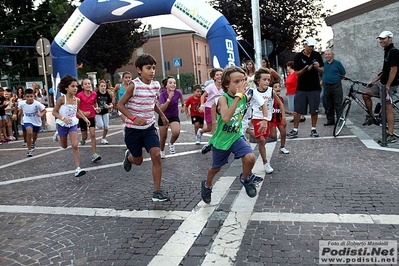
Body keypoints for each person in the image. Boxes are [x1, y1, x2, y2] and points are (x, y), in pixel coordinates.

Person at [201, 66, 268, 204]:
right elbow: (225, 118)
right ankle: (207, 185)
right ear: (227, 84)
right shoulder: (223, 99)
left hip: (236, 136)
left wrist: (265, 119)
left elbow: (262, 103)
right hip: (222, 140)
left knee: (250, 158)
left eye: (243, 81)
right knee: (216, 168)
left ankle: (245, 178)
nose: (241, 84)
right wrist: (214, 123)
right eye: (236, 82)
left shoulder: (246, 95)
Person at [117, 53, 170, 202]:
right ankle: (129, 157)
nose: (152, 71)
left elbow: (152, 103)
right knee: (138, 160)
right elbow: (120, 105)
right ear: (139, 70)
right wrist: (133, 118)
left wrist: (162, 115)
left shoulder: (156, 85)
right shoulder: (134, 85)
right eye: (148, 68)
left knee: (156, 155)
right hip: (133, 130)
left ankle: (157, 191)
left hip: (148, 128)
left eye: (153, 68)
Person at [362, 31, 399, 143]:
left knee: (388, 108)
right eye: (380, 39)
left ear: (390, 39)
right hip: (381, 83)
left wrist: (387, 86)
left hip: (390, 85)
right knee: (366, 94)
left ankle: (390, 134)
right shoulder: (386, 51)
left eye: (384, 39)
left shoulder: (394, 52)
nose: (381, 41)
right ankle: (370, 115)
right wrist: (372, 81)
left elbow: (394, 70)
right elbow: (384, 71)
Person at [247, 68, 284, 174]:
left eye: (268, 80)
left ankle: (251, 133)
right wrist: (248, 117)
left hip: (268, 118)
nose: (267, 82)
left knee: (266, 139)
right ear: (258, 80)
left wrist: (284, 117)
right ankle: (265, 162)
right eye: (264, 79)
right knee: (262, 140)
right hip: (257, 118)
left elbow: (280, 103)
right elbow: (247, 103)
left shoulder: (271, 91)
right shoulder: (252, 91)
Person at [52, 74, 90, 177]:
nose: (75, 88)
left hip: (72, 123)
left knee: (75, 145)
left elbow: (77, 110)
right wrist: (63, 119)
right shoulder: (61, 99)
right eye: (72, 86)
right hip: (62, 124)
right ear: (66, 87)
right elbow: (54, 112)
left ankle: (78, 168)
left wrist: (85, 118)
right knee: (64, 146)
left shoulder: (77, 100)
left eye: (76, 86)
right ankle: (58, 136)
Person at [287, 37, 324, 138]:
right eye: (309, 46)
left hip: (314, 87)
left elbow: (322, 70)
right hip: (302, 88)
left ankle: (313, 129)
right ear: (305, 44)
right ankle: (295, 130)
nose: (311, 48)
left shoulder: (317, 55)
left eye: (312, 46)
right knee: (298, 109)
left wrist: (317, 68)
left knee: (314, 110)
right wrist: (305, 69)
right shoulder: (298, 57)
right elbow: (297, 73)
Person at [158, 76, 185, 158]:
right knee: (163, 137)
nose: (173, 84)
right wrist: (169, 98)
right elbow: (162, 109)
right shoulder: (162, 95)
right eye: (170, 83)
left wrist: (183, 106)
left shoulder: (178, 93)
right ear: (166, 85)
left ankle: (171, 143)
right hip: (163, 116)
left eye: (174, 83)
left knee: (176, 132)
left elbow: (182, 100)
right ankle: (162, 150)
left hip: (174, 116)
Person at [15, 88, 47, 157]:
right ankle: (29, 150)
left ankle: (33, 143)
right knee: (29, 132)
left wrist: (41, 114)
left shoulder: (37, 103)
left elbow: (44, 110)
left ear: (34, 96)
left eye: (31, 96)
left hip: (36, 121)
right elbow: (16, 107)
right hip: (27, 120)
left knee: (35, 135)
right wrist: (15, 115)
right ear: (25, 97)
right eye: (28, 97)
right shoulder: (22, 103)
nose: (29, 98)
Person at [76, 78, 102, 162]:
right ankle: (83, 139)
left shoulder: (94, 94)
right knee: (85, 136)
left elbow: (95, 103)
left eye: (89, 83)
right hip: (82, 117)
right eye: (86, 84)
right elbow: (76, 108)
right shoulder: (79, 95)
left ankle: (94, 154)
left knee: (93, 135)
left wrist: (96, 108)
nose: (88, 85)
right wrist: (83, 113)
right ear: (82, 86)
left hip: (91, 116)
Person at [198, 68, 223, 146]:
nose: (219, 76)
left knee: (219, 126)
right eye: (217, 75)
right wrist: (202, 105)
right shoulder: (211, 86)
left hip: (220, 109)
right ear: (214, 77)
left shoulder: (225, 87)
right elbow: (203, 96)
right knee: (210, 128)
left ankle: (215, 143)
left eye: (221, 74)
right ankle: (200, 132)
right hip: (209, 108)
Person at [322, 48, 346, 126]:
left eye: (329, 54)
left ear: (332, 55)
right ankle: (330, 120)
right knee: (328, 104)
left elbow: (343, 73)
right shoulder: (323, 64)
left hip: (336, 86)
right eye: (326, 54)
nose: (327, 56)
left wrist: (337, 80)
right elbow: (320, 74)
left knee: (338, 104)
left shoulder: (337, 63)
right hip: (326, 86)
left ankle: (340, 120)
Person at [269, 81, 291, 154]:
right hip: (271, 119)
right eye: (275, 87)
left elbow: (281, 109)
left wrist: (288, 113)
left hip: (279, 119)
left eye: (279, 86)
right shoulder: (270, 98)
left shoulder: (281, 98)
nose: (278, 88)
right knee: (273, 135)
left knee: (283, 133)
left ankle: (282, 147)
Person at [96, 79, 113, 144]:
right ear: (99, 87)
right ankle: (97, 123)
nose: (103, 87)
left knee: (106, 126)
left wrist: (109, 106)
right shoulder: (96, 94)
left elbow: (111, 104)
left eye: (104, 86)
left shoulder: (107, 94)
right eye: (102, 86)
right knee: (100, 126)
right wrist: (96, 107)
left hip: (105, 112)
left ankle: (103, 138)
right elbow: (94, 103)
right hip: (98, 113)